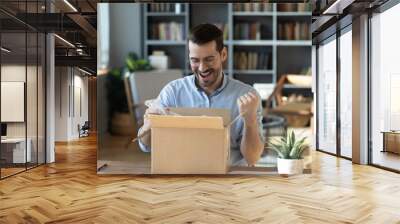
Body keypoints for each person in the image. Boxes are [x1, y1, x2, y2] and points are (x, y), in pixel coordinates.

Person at [138, 23, 264, 166]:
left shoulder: (247, 96)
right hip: (182, 177)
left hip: (230, 180)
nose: (202, 68)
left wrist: (250, 121)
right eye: (195, 60)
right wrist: (149, 125)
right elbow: (145, 146)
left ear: (223, 54)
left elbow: (252, 158)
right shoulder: (172, 92)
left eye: (209, 59)